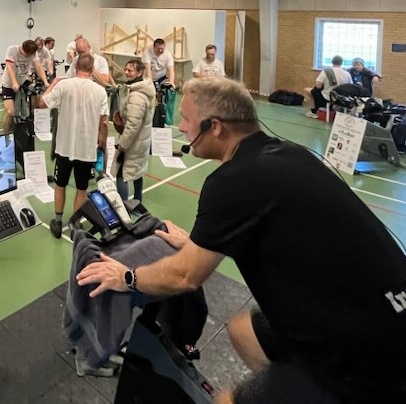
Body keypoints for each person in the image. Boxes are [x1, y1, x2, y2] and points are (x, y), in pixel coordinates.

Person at [75, 77, 406, 401]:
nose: (182, 126)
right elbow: (265, 229)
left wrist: (126, 277)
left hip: (368, 354)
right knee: (243, 331)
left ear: (215, 127)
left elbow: (185, 276)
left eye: (187, 119)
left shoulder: (232, 181)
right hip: (385, 308)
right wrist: (194, 245)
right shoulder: (289, 154)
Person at [40, 54, 109, 239]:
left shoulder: (64, 85)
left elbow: (41, 103)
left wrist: (53, 83)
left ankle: (57, 221)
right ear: (92, 69)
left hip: (64, 148)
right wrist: (102, 143)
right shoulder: (100, 91)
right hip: (86, 150)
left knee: (60, 185)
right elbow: (104, 122)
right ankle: (75, 225)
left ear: (75, 66)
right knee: (82, 189)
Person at [111, 59, 154, 203]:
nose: (126, 72)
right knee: (137, 171)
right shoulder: (141, 89)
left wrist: (122, 145)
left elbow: (132, 126)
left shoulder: (137, 96)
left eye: (130, 70)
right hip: (141, 140)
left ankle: (123, 207)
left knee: (122, 173)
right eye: (126, 69)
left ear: (139, 73)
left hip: (133, 142)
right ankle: (137, 201)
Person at [0, 39, 49, 134]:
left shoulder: (33, 53)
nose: (28, 57)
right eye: (27, 55)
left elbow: (38, 66)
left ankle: (31, 118)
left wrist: (46, 82)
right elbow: (9, 68)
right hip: (9, 84)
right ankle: (5, 135)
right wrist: (14, 83)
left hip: (23, 80)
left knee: (37, 94)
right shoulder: (12, 50)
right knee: (10, 112)